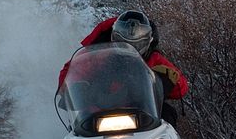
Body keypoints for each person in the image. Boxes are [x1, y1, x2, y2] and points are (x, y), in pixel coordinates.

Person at [58, 10, 189, 125]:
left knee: (167, 114)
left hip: (144, 114)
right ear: (113, 37)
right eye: (122, 42)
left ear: (147, 41)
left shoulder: (153, 58)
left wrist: (165, 82)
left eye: (137, 44)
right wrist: (75, 89)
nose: (129, 48)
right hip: (98, 112)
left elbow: (180, 86)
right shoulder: (96, 55)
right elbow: (72, 70)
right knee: (77, 127)